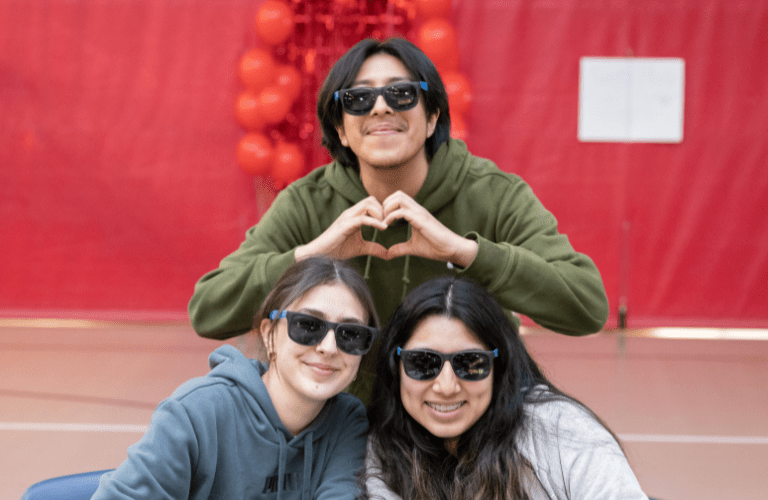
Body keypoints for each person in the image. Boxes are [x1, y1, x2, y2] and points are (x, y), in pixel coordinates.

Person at [189, 37, 609, 401]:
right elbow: (209, 310)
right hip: (351, 425)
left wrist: (464, 252)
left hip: (470, 414)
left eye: (401, 94)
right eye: (358, 99)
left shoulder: (493, 194)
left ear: (432, 118)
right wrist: (312, 256)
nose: (380, 108)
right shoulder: (308, 203)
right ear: (341, 130)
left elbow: (586, 305)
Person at [92, 257, 378, 500]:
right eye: (308, 325)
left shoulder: (347, 421)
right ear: (269, 334)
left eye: (351, 334)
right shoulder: (196, 412)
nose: (329, 347)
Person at [363, 276, 648, 500]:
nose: (446, 387)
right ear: (395, 366)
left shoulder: (562, 430)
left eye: (470, 363)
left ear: (499, 368)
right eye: (423, 363)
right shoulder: (386, 445)